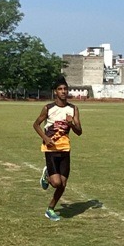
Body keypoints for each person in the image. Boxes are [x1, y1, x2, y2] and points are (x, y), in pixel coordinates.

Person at [32, 76, 82, 221]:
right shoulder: (48, 108)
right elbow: (36, 124)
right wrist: (45, 138)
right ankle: (48, 175)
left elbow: (79, 131)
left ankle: (50, 209)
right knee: (56, 183)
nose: (63, 91)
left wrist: (71, 123)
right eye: (60, 89)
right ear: (55, 92)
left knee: (63, 184)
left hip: (65, 149)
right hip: (51, 149)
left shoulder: (73, 109)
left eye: (65, 89)